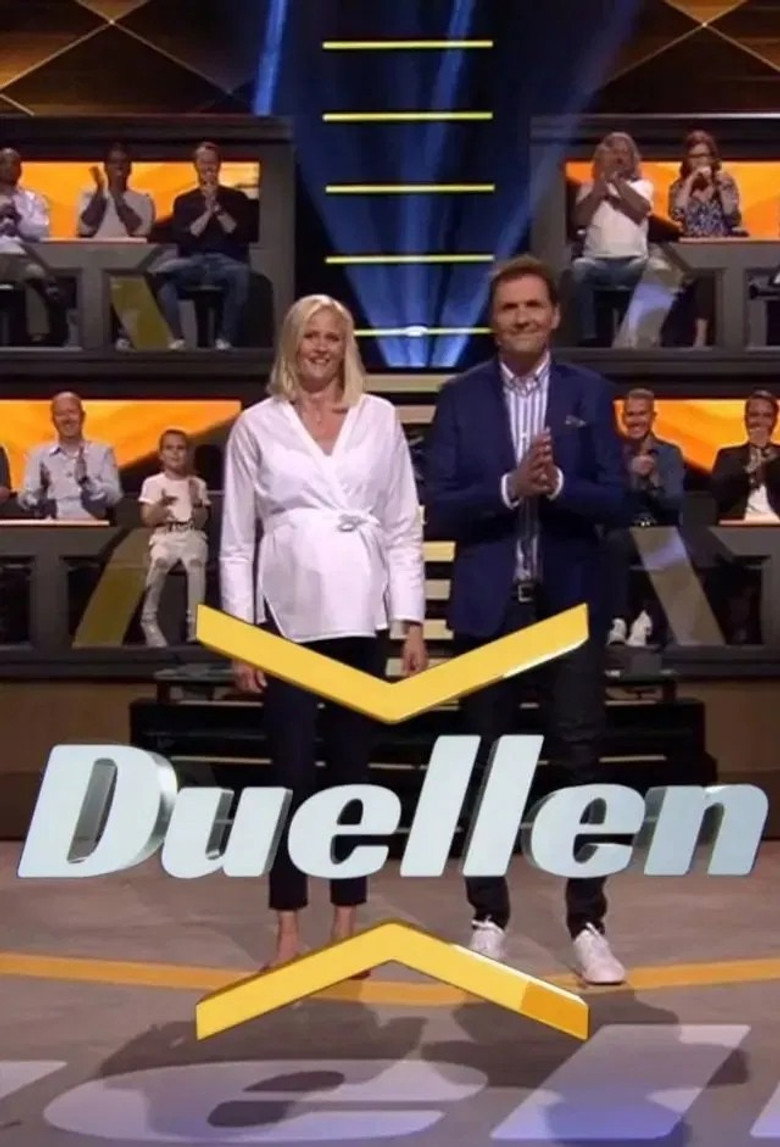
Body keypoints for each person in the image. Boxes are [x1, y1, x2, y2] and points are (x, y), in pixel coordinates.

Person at [424, 254, 630, 985]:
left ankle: (589, 923)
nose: (521, 317)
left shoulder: (588, 392)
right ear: (494, 320)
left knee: (580, 763)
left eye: (533, 305)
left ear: (554, 314)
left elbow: (619, 501)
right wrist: (512, 486)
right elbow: (440, 507)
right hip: (489, 611)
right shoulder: (460, 398)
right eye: (509, 307)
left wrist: (560, 483)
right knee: (488, 766)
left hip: (567, 608)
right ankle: (488, 916)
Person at [219, 293, 427, 968]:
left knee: (351, 773)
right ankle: (287, 929)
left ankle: (346, 923)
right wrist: (241, 638)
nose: (320, 348)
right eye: (310, 336)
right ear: (292, 342)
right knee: (289, 776)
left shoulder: (380, 418)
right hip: (284, 618)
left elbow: (402, 526)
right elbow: (236, 541)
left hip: (361, 615)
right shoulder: (257, 425)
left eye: (332, 338)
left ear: (347, 347)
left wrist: (412, 621)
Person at [150, 141, 255, 350]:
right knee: (161, 274)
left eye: (212, 162)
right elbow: (184, 238)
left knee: (242, 275)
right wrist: (207, 212)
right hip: (193, 262)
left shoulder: (236, 198)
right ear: (196, 166)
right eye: (203, 162)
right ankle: (177, 337)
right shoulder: (184, 201)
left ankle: (225, 339)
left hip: (226, 262)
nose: (208, 167)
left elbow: (240, 234)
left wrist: (217, 209)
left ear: (219, 165)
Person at [606, 388, 685, 647]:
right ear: (623, 418)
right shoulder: (612, 454)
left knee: (668, 545)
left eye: (641, 414)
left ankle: (647, 619)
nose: (636, 421)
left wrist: (652, 480)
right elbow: (605, 498)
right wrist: (629, 475)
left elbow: (674, 501)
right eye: (630, 415)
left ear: (652, 417)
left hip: (659, 528)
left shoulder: (669, 454)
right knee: (614, 542)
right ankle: (618, 620)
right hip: (623, 529)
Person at [570, 132, 653, 346]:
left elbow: (641, 209)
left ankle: (639, 338)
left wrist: (616, 181)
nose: (619, 158)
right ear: (602, 156)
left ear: (632, 159)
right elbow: (580, 220)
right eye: (614, 152)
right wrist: (600, 186)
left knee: (655, 269)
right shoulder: (588, 187)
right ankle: (589, 337)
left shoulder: (642, 186)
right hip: (597, 264)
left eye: (624, 153)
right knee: (579, 268)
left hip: (633, 264)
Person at [77, 142, 156, 350]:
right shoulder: (89, 195)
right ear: (105, 167)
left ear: (130, 168)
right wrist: (101, 193)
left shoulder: (143, 199)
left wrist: (118, 199)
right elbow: (85, 228)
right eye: (113, 162)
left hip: (130, 261)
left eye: (123, 162)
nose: (118, 167)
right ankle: (93, 342)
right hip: (94, 261)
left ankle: (126, 337)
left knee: (132, 278)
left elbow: (140, 231)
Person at [668, 130, 742, 348]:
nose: (700, 161)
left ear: (712, 158)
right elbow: (677, 213)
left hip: (720, 250)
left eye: (704, 156)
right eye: (694, 157)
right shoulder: (679, 186)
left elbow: (732, 217)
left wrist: (721, 189)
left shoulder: (725, 183)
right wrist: (690, 181)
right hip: (688, 253)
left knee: (709, 274)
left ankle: (700, 338)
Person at [138, 429, 210, 647]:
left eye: (180, 448)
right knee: (159, 562)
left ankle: (195, 625)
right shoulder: (153, 483)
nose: (175, 453)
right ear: (161, 454)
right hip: (165, 535)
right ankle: (148, 620)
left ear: (187, 453)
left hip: (191, 534)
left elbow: (201, 522)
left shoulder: (197, 484)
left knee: (195, 564)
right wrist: (160, 507)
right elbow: (148, 519)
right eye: (169, 448)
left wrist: (196, 501)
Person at [0, 147, 68, 346]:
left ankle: (39, 338)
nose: (9, 167)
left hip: (23, 257)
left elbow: (42, 232)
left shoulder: (32, 199)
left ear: (21, 169)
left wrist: (19, 219)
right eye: (3, 162)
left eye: (14, 163)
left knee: (37, 273)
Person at [18, 391, 122, 520]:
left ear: (82, 417)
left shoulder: (102, 451)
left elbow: (114, 497)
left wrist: (87, 483)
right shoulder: (37, 455)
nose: (67, 419)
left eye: (72, 412)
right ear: (53, 421)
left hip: (93, 527)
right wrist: (39, 492)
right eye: (60, 414)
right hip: (51, 527)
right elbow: (24, 500)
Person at [711, 391, 780, 522]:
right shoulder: (728, 456)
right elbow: (719, 495)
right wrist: (750, 467)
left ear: (775, 421)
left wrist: (767, 452)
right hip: (739, 524)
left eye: (767, 416)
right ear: (746, 420)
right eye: (754, 415)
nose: (760, 421)